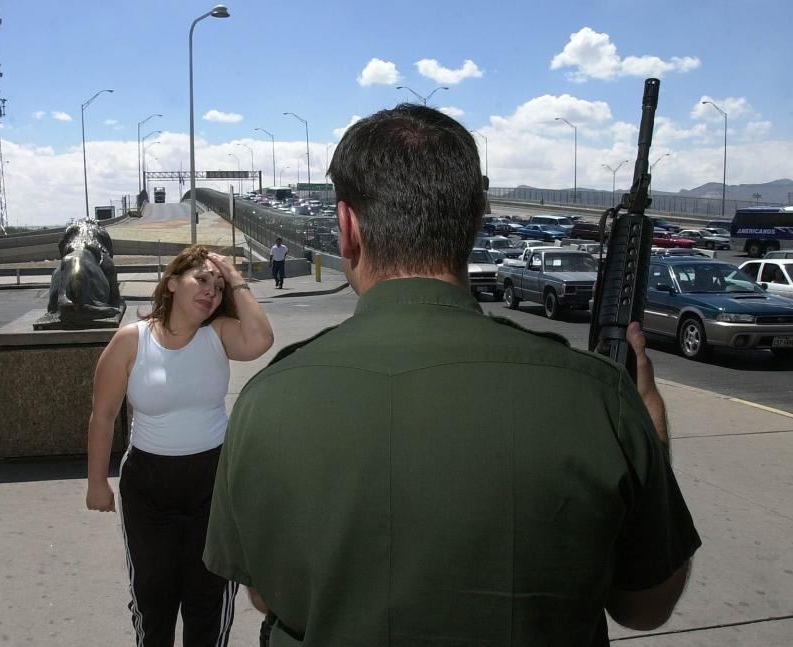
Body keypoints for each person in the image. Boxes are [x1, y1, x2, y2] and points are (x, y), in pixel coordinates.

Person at [203, 105, 700, 645]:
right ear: (478, 217)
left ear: (347, 228)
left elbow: (265, 593)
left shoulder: (267, 400)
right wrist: (649, 427)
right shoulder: (600, 397)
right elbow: (647, 605)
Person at [86, 245, 274, 647]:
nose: (211, 291)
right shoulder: (130, 341)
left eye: (218, 286)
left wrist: (234, 277)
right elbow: (103, 416)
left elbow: (260, 340)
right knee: (153, 597)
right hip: (148, 484)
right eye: (201, 279)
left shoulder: (219, 334)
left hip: (213, 479)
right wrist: (96, 481)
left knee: (208, 596)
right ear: (171, 283)